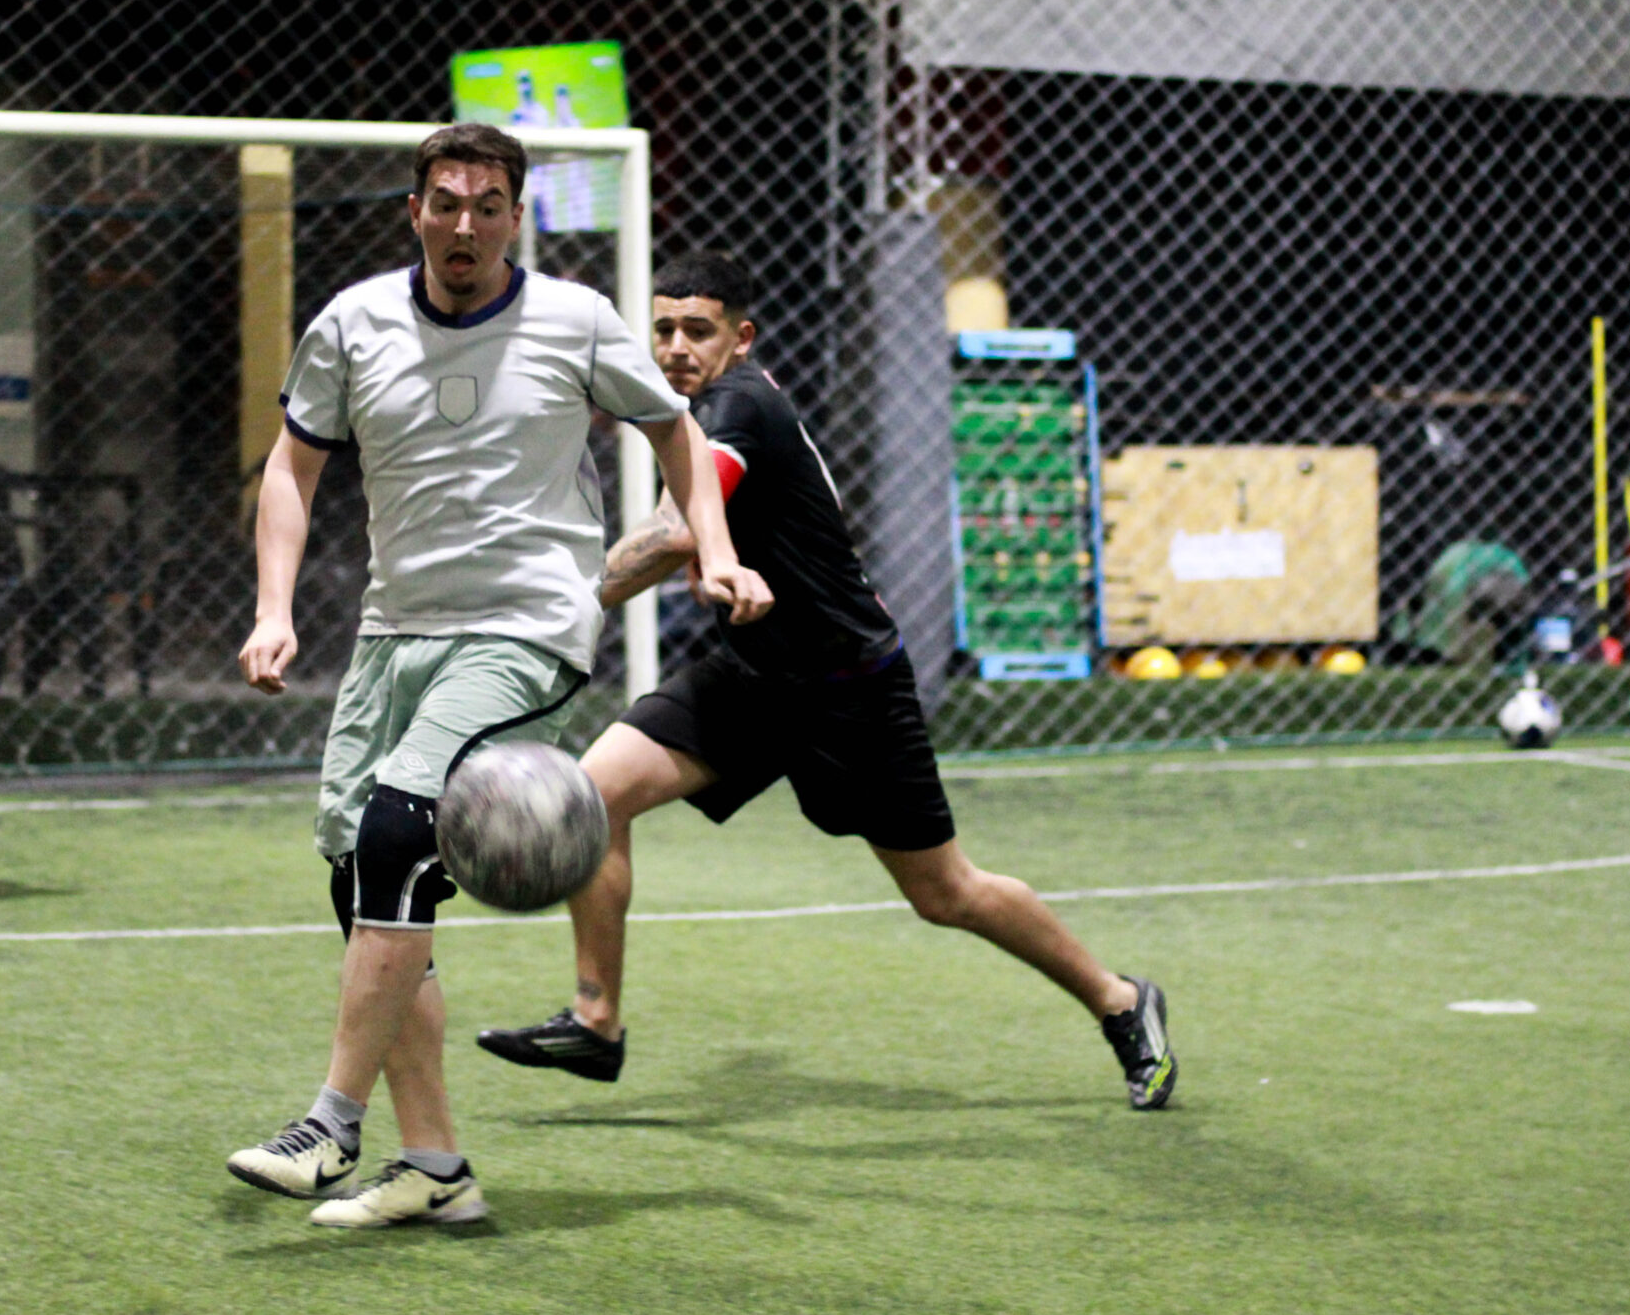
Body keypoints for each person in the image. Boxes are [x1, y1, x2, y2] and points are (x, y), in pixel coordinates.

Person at [226, 124, 772, 1230]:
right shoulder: (352, 323)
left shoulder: (576, 319)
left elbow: (672, 429)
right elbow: (292, 465)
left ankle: (331, 1124)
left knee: (396, 833)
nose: (465, 224)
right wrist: (273, 608)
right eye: (446, 203)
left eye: (487, 206)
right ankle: (436, 1167)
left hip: (527, 630)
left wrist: (712, 549)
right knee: (365, 883)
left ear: (516, 218)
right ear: (414, 211)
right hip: (394, 636)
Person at [477, 253, 1180, 1110]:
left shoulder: (738, 406)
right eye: (663, 329)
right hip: (752, 675)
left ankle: (1120, 999)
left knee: (945, 893)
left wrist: (564, 601)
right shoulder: (697, 413)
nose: (677, 347)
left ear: (741, 337)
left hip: (848, 688)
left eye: (698, 330)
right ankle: (597, 1021)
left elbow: (673, 532)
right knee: (592, 799)